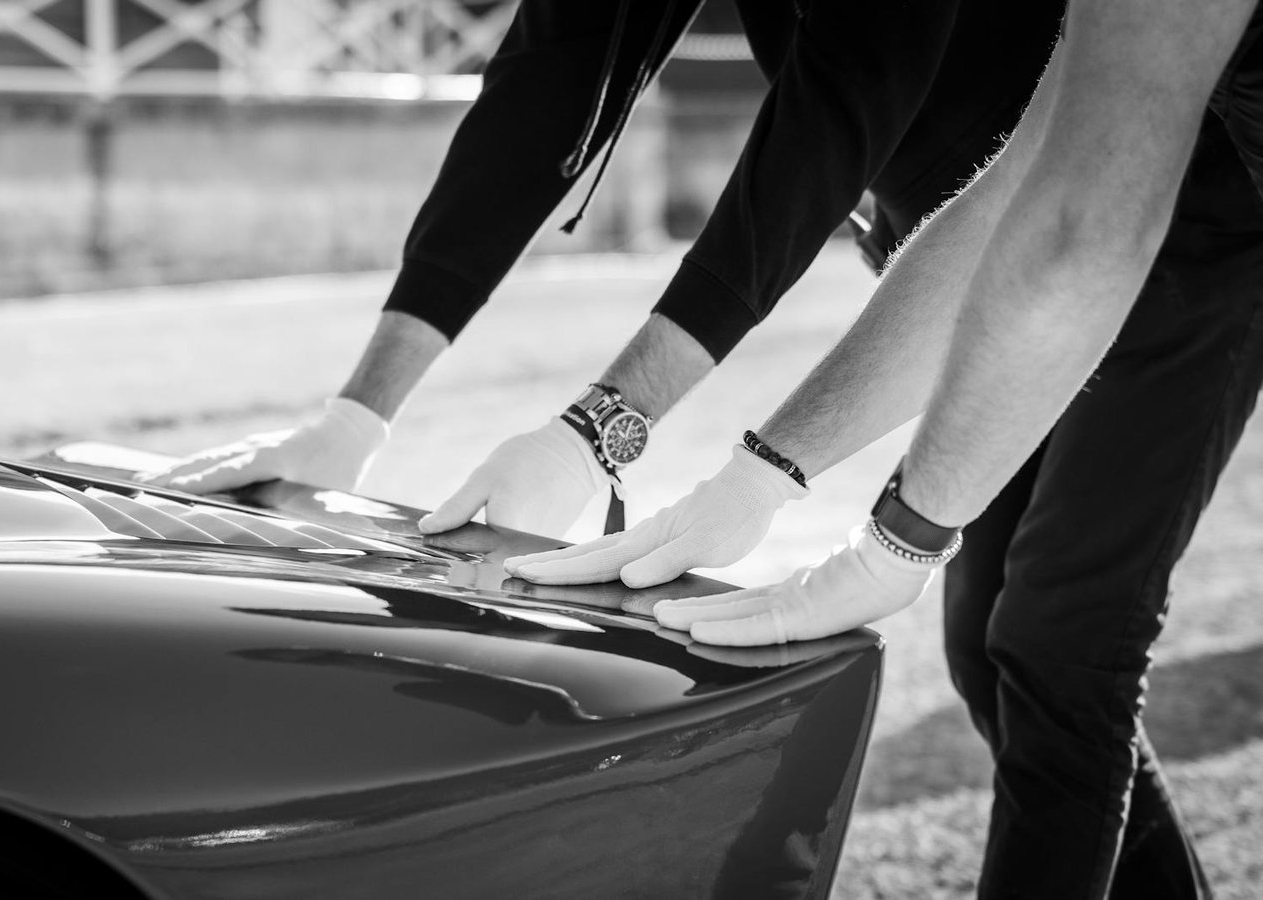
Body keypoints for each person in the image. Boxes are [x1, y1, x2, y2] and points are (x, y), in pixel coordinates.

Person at [508, 1, 1263, 897]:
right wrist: (761, 475)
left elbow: (1078, 228)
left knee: (1061, 645)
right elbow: (1020, 189)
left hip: (1208, 242)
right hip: (1161, 214)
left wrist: (901, 539)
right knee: (989, 641)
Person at [142, 0, 1067, 542]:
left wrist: (598, 431)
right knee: (999, 643)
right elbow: (539, 95)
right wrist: (355, 416)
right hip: (936, 248)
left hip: (1105, 230)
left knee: (1053, 643)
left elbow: (833, 114)